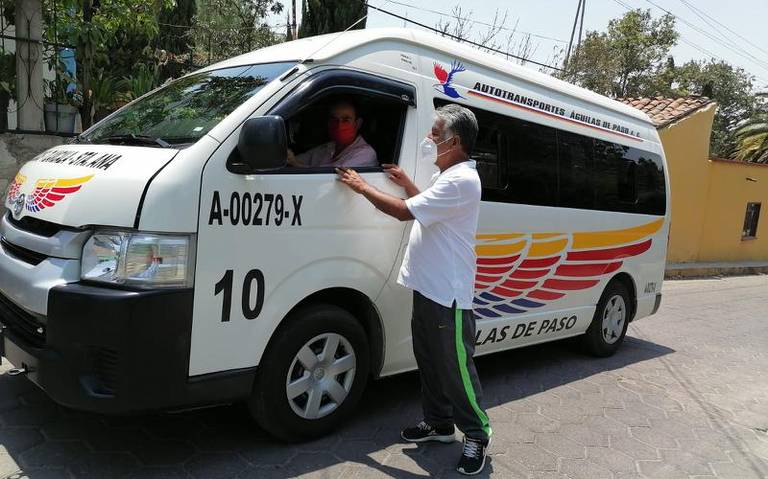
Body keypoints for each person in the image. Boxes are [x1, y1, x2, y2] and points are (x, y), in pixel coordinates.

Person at [336, 103, 492, 476]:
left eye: (435, 133)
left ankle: (476, 433)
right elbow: (427, 207)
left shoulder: (462, 181)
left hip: (448, 295)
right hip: (428, 288)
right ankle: (439, 425)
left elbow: (406, 212)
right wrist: (408, 184)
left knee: (455, 369)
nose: (429, 138)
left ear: (453, 142)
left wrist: (362, 186)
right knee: (430, 362)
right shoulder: (449, 177)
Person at [288, 99, 378, 168]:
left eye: (346, 120)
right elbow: (296, 159)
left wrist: (296, 164)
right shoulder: (328, 147)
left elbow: (332, 178)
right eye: (334, 119)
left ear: (357, 124)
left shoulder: (366, 153)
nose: (339, 125)